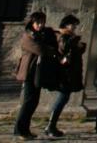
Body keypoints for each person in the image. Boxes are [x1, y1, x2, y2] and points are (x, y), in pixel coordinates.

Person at [14, 11, 59, 140]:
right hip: (29, 72)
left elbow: (52, 47)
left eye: (42, 23)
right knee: (28, 101)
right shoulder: (27, 36)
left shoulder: (43, 35)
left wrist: (49, 48)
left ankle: (25, 129)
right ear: (32, 23)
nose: (40, 25)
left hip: (38, 73)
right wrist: (49, 49)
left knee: (34, 101)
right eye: (38, 22)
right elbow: (40, 50)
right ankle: (20, 129)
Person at [43, 15, 85, 139]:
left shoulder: (69, 37)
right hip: (64, 73)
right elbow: (64, 50)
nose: (74, 27)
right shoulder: (63, 36)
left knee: (64, 98)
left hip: (69, 72)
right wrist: (75, 42)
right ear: (66, 25)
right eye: (73, 25)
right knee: (62, 98)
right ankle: (50, 125)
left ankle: (52, 125)